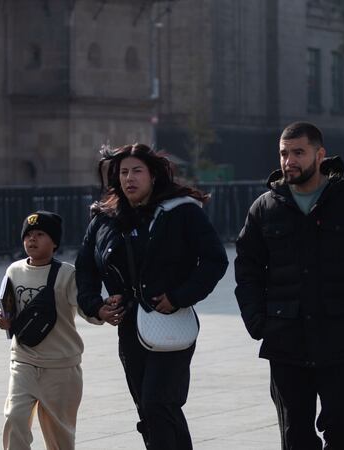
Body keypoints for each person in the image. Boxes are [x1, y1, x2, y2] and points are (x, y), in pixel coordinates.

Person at [234, 122, 344, 450]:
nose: (289, 161)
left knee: (343, 425)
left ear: (319, 154)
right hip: (284, 336)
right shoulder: (265, 207)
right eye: (284, 153)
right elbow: (246, 268)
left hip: (337, 332)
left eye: (298, 152)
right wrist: (257, 320)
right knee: (295, 434)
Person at [75, 144, 228, 450]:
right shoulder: (104, 220)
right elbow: (85, 268)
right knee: (150, 409)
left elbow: (215, 260)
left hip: (170, 321)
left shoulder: (181, 211)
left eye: (137, 171)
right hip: (130, 327)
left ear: (154, 175)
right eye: (123, 172)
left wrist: (179, 296)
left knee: (158, 402)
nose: (129, 178)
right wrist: (96, 306)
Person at [0, 210, 101, 450]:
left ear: (54, 243)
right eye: (28, 234)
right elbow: (5, 305)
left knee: (59, 436)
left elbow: (87, 308)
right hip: (23, 361)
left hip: (61, 367)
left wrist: (103, 311)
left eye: (40, 234)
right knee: (15, 417)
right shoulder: (14, 271)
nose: (32, 239)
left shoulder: (67, 274)